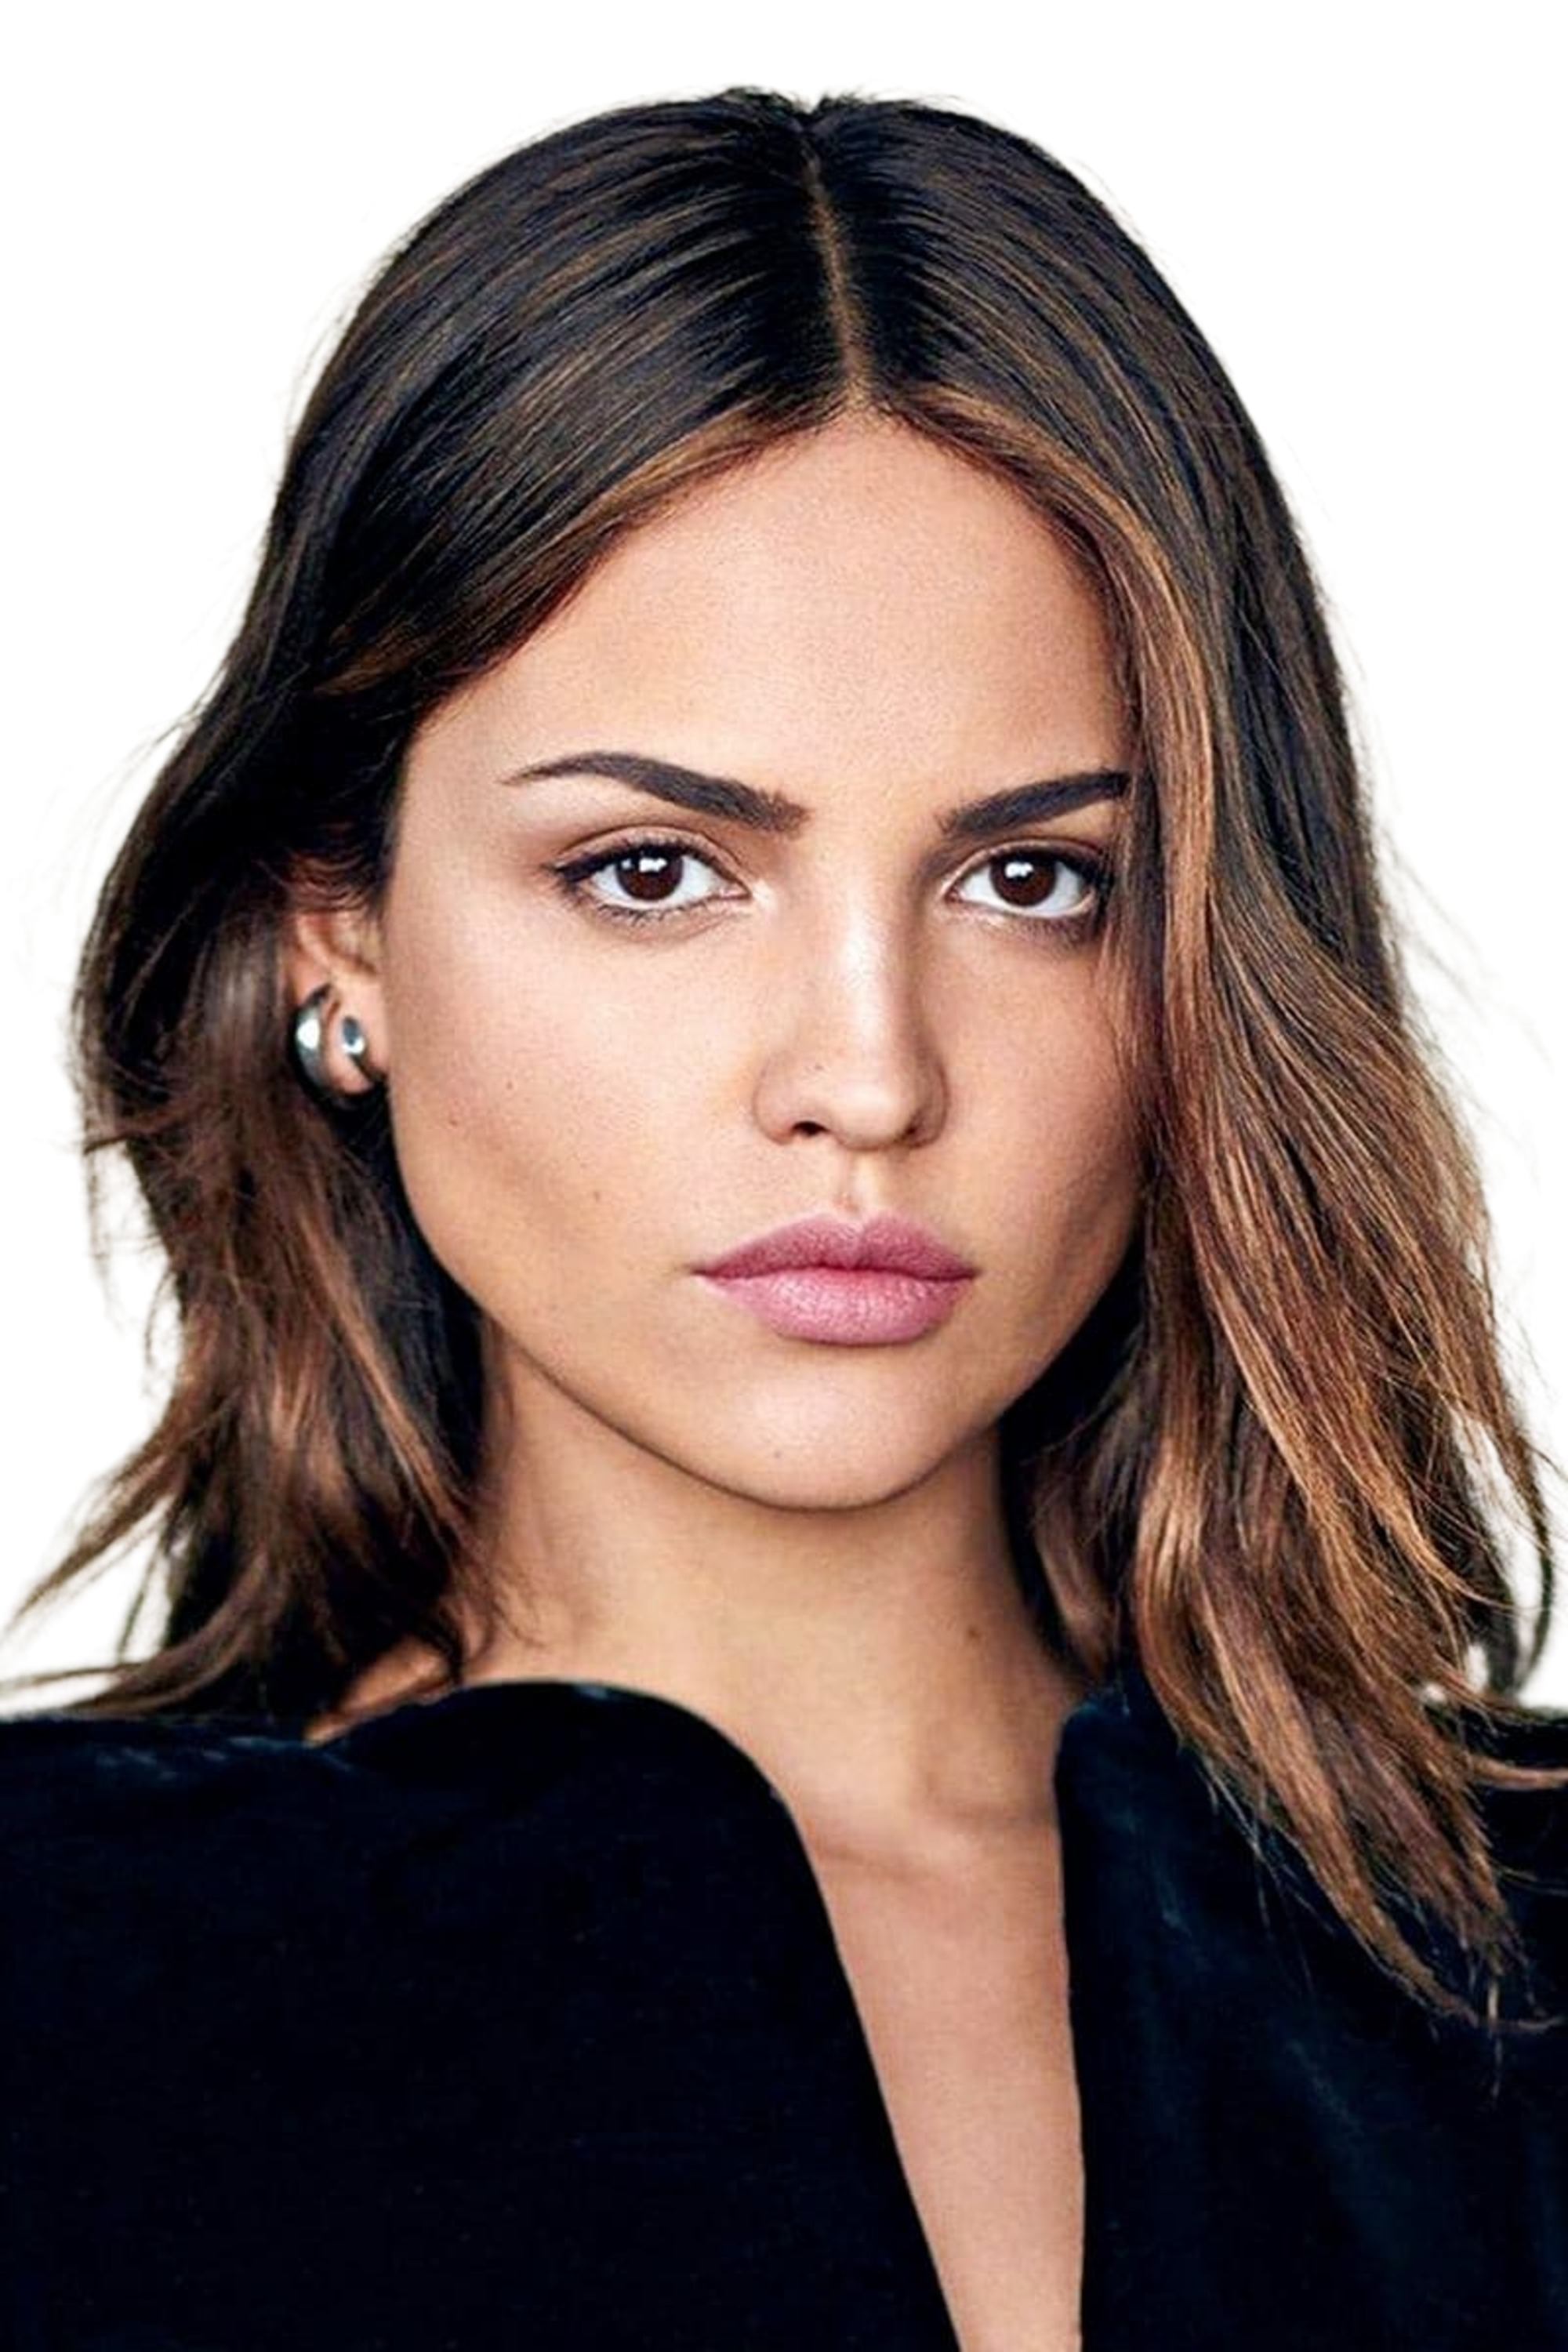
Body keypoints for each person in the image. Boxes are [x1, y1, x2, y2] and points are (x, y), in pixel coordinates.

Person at [2, 78, 1563, 2352]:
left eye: (1034, 882)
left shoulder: (1511, 1974)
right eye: (654, 873)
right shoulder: (54, 1985)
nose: (868, 1075)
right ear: (337, 933)